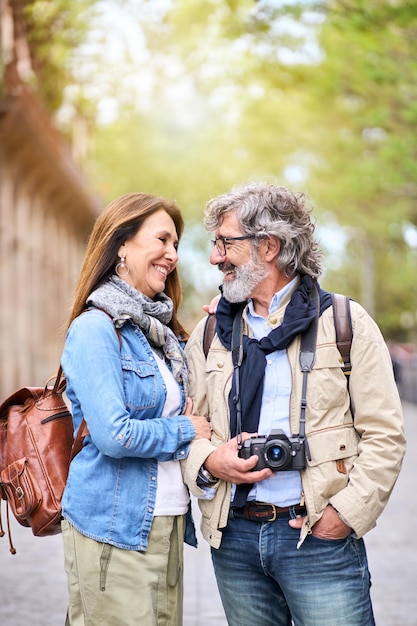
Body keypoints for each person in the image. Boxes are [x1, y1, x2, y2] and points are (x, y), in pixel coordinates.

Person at [184, 181, 406, 626]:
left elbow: (385, 435)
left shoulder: (345, 323)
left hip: (318, 541)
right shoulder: (210, 334)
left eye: (225, 243)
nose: (215, 257)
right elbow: (187, 428)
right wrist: (210, 464)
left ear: (268, 246)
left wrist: (345, 515)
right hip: (235, 544)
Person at [60, 192, 211, 626]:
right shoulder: (95, 328)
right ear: (121, 244)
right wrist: (185, 431)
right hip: (112, 529)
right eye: (162, 239)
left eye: (177, 245)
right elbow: (114, 434)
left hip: (166, 525)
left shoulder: (159, 335)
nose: (172, 254)